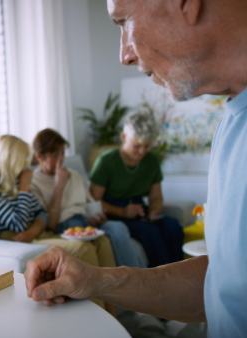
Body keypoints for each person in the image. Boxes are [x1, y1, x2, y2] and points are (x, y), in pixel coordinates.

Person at [25, 1, 247, 336]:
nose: (124, 55)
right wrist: (95, 280)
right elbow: (222, 282)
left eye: (124, 21)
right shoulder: (231, 122)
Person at [0, 135, 116, 270]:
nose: (27, 165)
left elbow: (42, 213)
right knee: (83, 247)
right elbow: (18, 224)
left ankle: (111, 294)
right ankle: (92, 296)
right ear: (11, 161)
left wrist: (33, 231)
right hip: (15, 238)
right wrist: (24, 188)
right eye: (23, 160)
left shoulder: (16, 182)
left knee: (101, 241)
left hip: (36, 234)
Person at [30, 128, 146, 268]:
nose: (61, 159)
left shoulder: (74, 175)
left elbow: (91, 205)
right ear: (39, 156)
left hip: (87, 221)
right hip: (66, 226)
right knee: (84, 232)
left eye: (62, 153)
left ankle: (138, 280)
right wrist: (59, 185)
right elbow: (51, 224)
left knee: (118, 227)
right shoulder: (34, 183)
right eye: (55, 155)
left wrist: (97, 216)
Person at [89, 111, 184, 267]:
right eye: (137, 146)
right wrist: (123, 212)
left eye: (147, 146)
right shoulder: (106, 162)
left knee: (172, 226)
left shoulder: (152, 161)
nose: (142, 151)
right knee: (149, 232)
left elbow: (156, 197)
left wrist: (154, 212)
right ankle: (161, 280)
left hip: (139, 210)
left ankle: (180, 273)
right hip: (114, 213)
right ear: (124, 137)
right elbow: (93, 201)